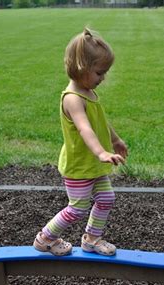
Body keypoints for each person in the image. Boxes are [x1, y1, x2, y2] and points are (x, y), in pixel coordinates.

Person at [33, 28, 127, 256]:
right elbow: (85, 129)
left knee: (106, 198)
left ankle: (92, 239)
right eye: (99, 72)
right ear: (81, 68)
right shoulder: (73, 99)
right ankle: (45, 238)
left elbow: (100, 122)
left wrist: (115, 140)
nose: (103, 78)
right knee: (77, 208)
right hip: (79, 166)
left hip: (92, 164)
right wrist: (101, 153)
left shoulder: (90, 93)